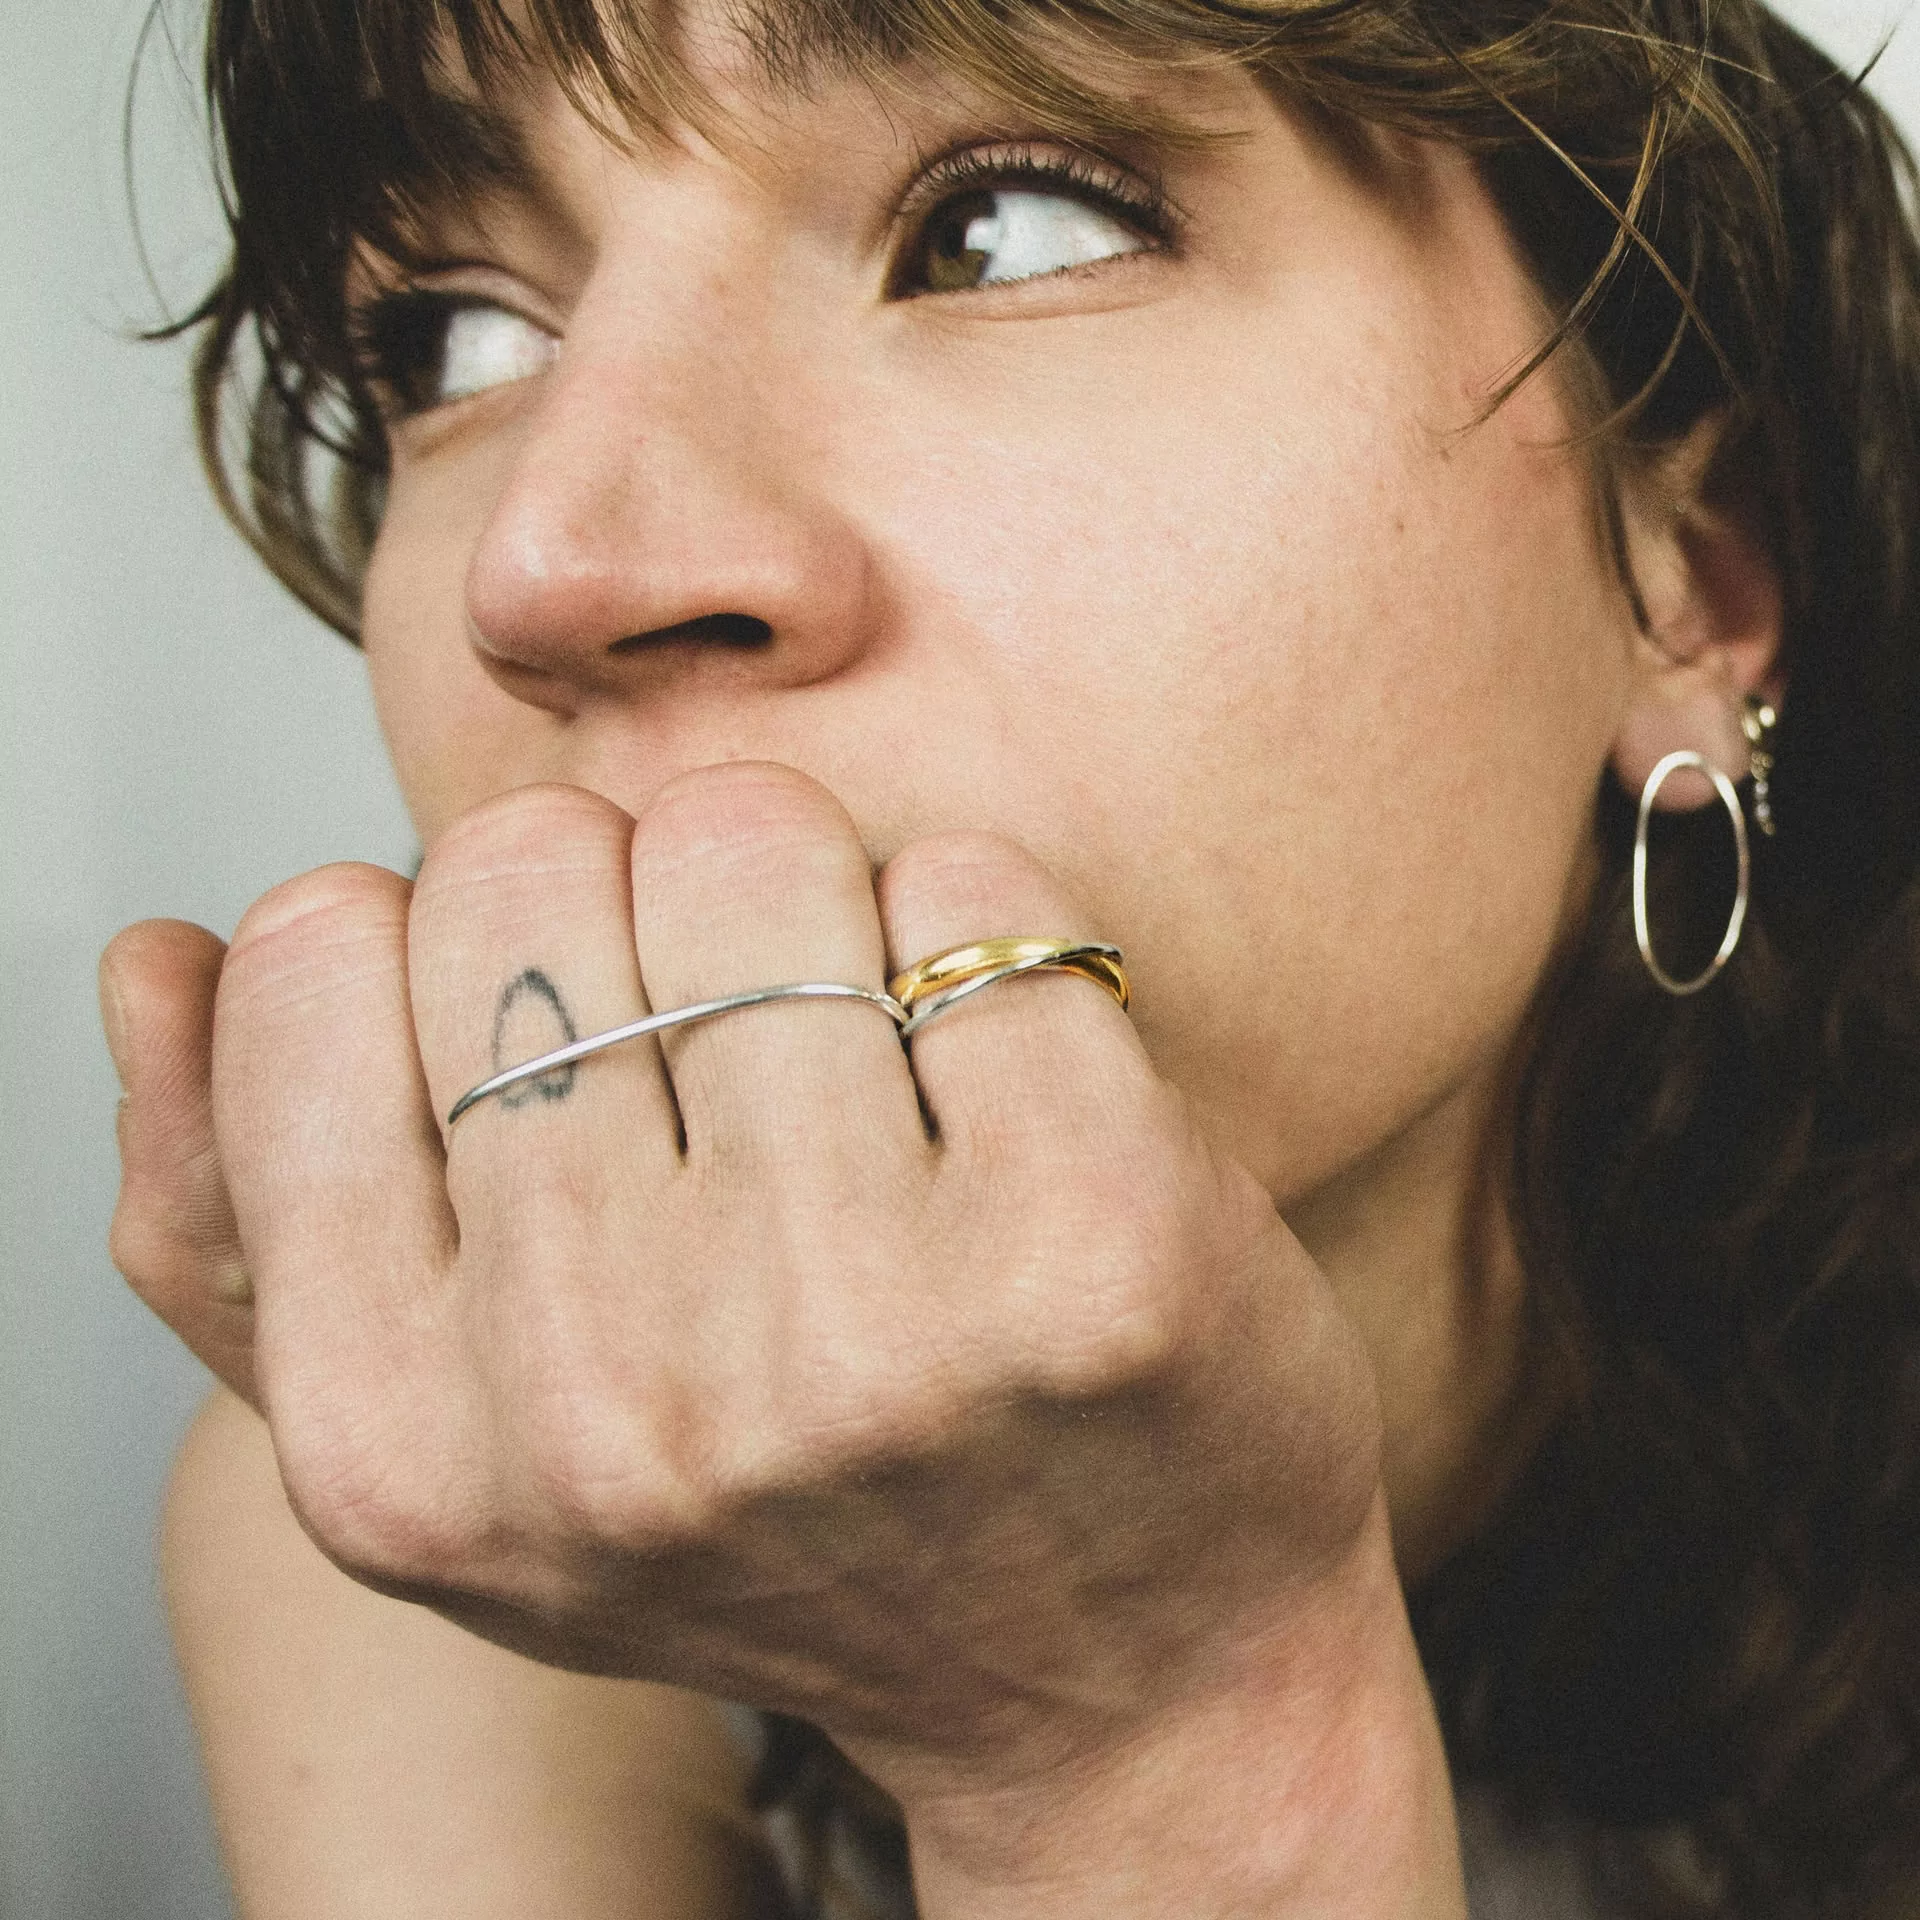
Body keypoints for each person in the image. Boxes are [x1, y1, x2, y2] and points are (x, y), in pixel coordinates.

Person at [96, 0, 1920, 1912]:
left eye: (1005, 229)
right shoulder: (449, 1515)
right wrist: (1122, 1754)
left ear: (1689, 576)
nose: (552, 569)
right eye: (453, 339)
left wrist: (1159, 1731)